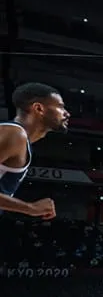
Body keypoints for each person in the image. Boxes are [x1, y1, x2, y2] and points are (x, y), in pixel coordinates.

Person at [0, 83, 68, 219]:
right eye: (60, 106)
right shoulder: (14, 134)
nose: (67, 113)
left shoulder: (20, 139)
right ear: (39, 108)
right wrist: (30, 208)